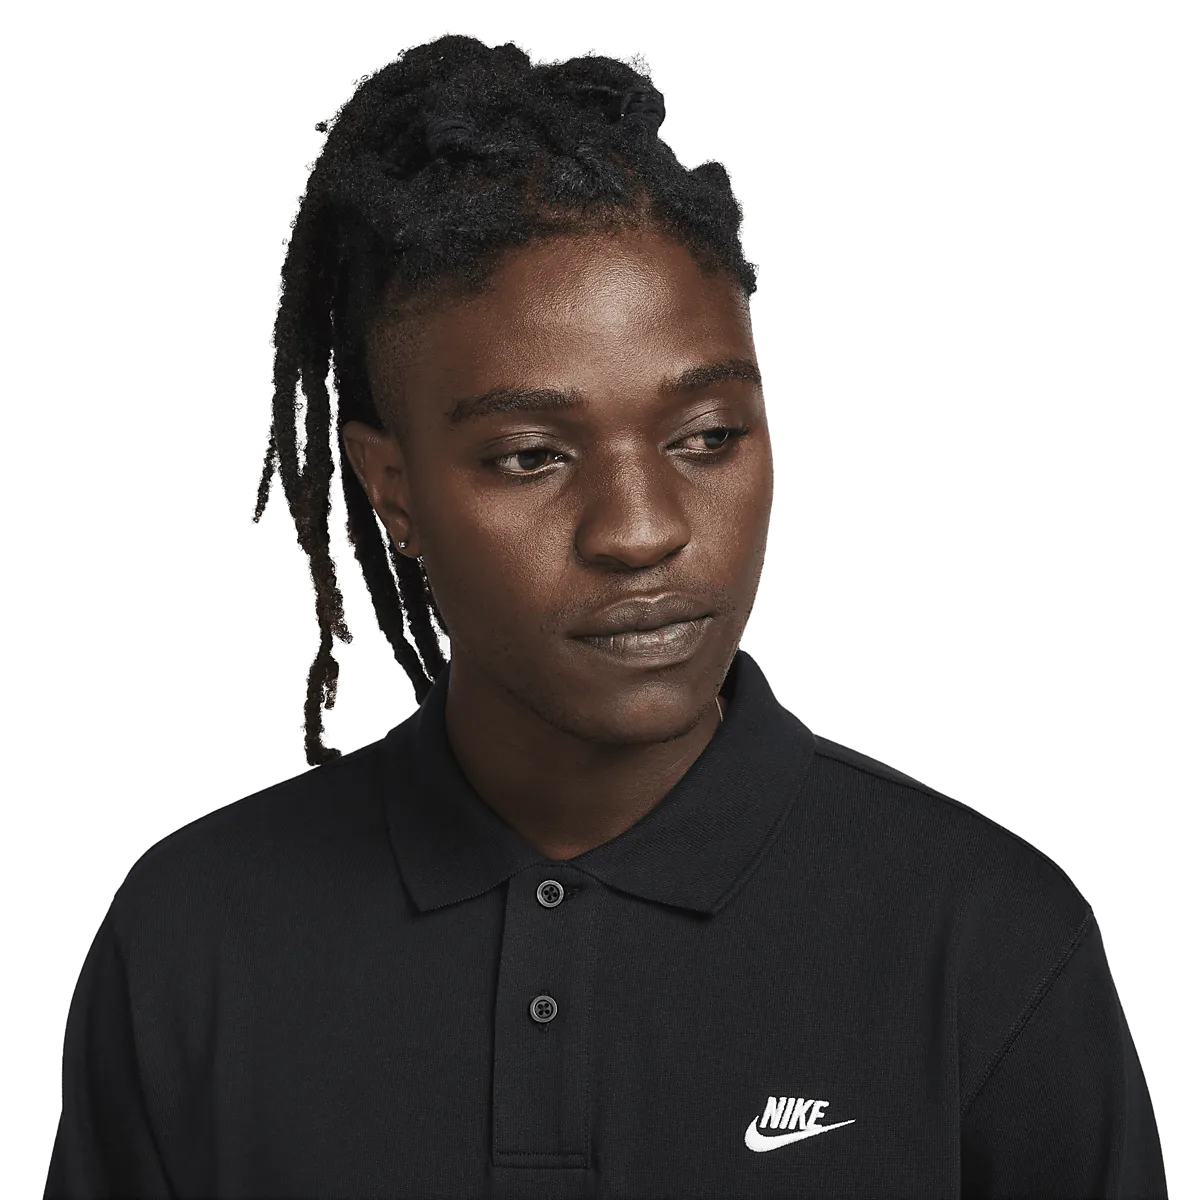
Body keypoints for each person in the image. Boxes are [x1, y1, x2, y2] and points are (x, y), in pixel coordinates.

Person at [45, 34, 1168, 1199]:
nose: (639, 530)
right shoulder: (192, 943)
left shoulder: (987, 943)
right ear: (393, 488)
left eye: (708, 437)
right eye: (531, 455)